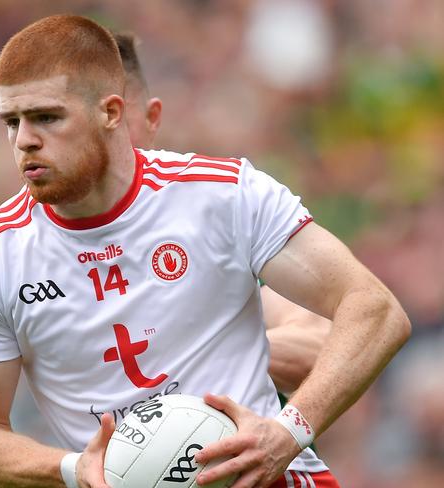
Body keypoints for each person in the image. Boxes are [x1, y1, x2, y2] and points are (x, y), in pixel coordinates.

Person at [0, 14, 410, 488]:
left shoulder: (223, 196)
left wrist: (287, 432)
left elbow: (375, 310)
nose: (24, 140)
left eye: (46, 117)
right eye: (11, 121)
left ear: (110, 113)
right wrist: (70, 469)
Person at [113, 32, 331, 395]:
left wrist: (199, 351)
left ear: (152, 118)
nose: (106, 139)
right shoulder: (22, 256)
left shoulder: (216, 213)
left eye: (116, 116)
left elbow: (318, 346)